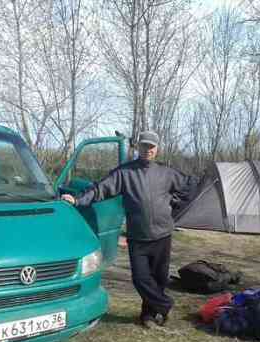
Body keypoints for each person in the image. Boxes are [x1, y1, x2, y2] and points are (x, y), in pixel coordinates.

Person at [61, 131, 190, 328]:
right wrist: (77, 200)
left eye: (151, 147)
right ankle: (165, 305)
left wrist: (174, 204)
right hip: (138, 237)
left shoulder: (167, 173)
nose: (147, 150)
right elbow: (100, 189)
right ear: (138, 147)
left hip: (163, 235)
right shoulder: (125, 173)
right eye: (144, 146)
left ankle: (148, 315)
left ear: (157, 149)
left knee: (159, 279)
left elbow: (189, 188)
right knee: (140, 279)